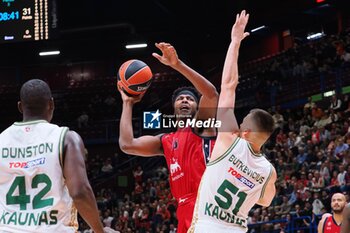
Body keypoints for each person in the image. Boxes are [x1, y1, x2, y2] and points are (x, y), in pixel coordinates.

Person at [188, 10, 277, 233]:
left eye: (242, 121)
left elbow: (228, 85)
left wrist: (235, 41)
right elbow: (265, 201)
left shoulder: (228, 139)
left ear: (245, 131)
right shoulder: (268, 171)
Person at [118, 42, 218, 233]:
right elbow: (127, 144)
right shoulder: (165, 141)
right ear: (174, 108)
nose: (185, 101)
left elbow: (211, 94)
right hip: (183, 211)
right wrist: (127, 103)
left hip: (207, 205)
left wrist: (177, 64)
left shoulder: (201, 126)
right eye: (181, 99)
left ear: (198, 108)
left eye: (190, 99)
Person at [0, 79, 113, 233]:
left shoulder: (2, 140)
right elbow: (79, 192)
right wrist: (100, 231)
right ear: (51, 104)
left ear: (20, 107)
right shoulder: (67, 138)